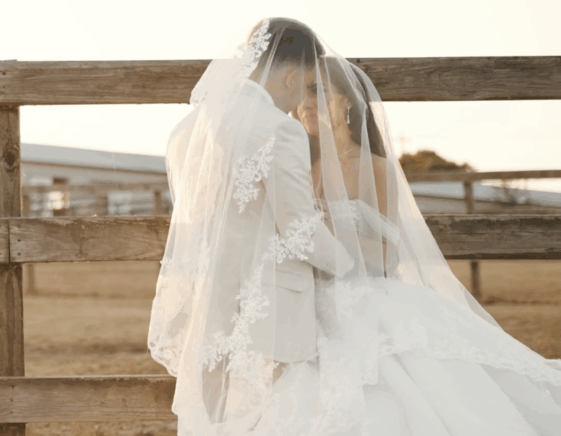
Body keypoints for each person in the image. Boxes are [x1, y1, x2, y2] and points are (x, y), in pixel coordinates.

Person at [148, 17, 561, 435]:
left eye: (318, 90)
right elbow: (298, 231)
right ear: (291, 73)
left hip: (222, 304)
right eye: (304, 85)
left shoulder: (187, 132)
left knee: (248, 410)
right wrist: (345, 265)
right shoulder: (279, 132)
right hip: (282, 299)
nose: (300, 100)